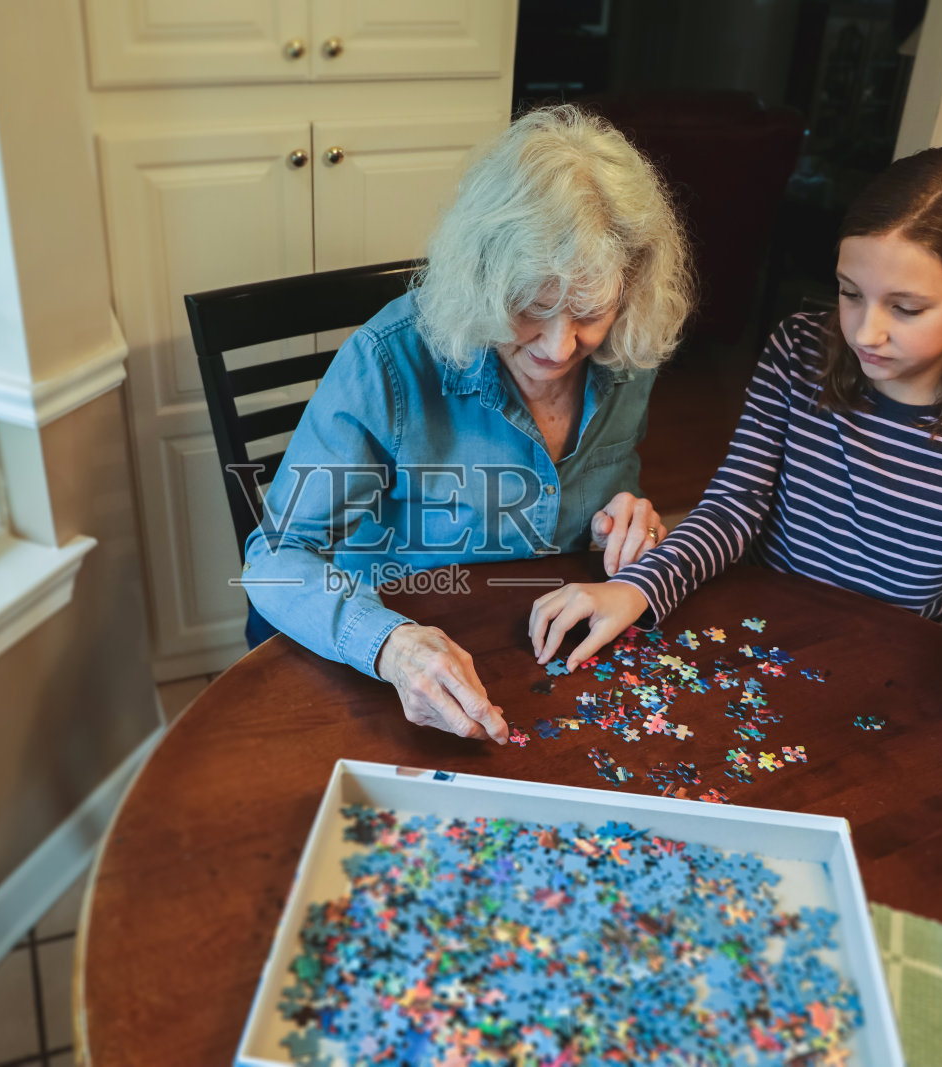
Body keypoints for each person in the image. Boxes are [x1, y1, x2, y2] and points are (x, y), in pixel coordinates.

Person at [530, 145, 942, 673]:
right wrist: (641, 585)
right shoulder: (798, 349)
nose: (864, 332)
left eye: (906, 308)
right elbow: (735, 506)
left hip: (895, 658)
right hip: (755, 628)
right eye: (849, 293)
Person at [242, 105, 694, 743]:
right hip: (410, 667)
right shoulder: (386, 361)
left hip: (547, 658)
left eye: (589, 311)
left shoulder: (622, 348)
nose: (561, 347)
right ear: (483, 277)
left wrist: (624, 519)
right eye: (532, 306)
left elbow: (593, 508)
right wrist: (392, 646)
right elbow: (276, 559)